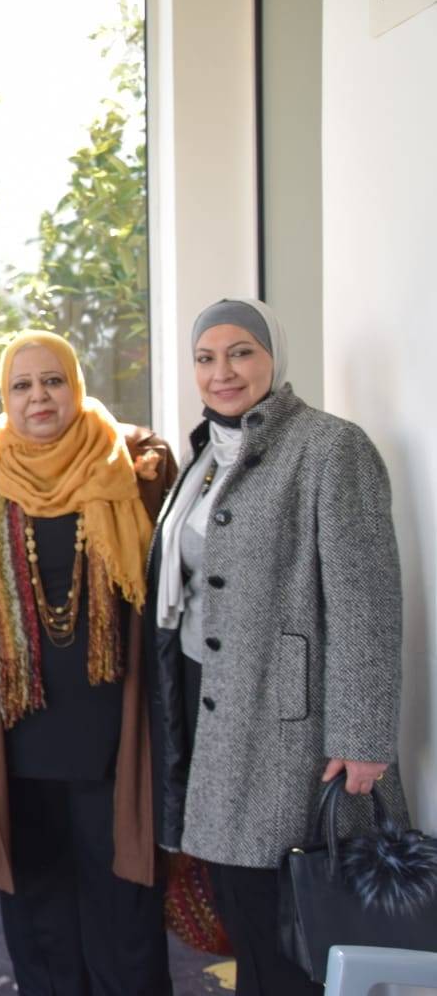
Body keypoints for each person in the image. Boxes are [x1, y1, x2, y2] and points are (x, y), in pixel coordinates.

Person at [0, 329, 178, 995]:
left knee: (124, 908)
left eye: (52, 380)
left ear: (76, 385)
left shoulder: (135, 463)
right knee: (37, 908)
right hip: (16, 728)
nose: (38, 397)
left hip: (114, 726)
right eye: (21, 385)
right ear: (5, 396)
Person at [147, 299, 405, 996]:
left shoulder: (330, 446)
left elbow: (366, 601)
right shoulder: (205, 453)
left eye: (241, 353)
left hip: (290, 724)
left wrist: (364, 736)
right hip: (213, 714)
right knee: (244, 911)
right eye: (206, 358)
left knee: (294, 925)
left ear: (273, 358)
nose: (222, 372)